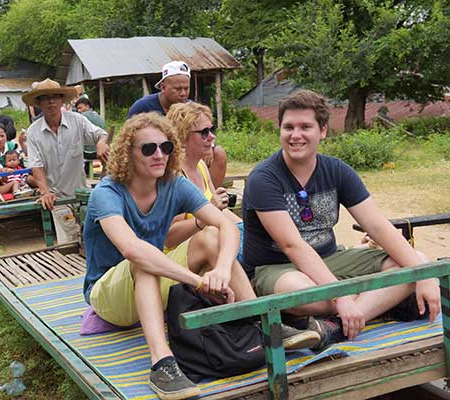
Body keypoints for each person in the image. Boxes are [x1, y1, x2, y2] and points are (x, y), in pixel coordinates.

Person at [83, 113, 319, 400]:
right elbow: (132, 249)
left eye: (166, 147)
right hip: (109, 295)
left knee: (209, 236)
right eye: (148, 149)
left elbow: (226, 225)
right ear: (127, 154)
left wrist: (220, 269)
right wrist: (196, 280)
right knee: (144, 260)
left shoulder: (173, 184)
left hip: (151, 286)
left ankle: (261, 321)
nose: (159, 154)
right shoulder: (107, 192)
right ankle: (162, 363)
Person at [242, 90, 441, 349]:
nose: (295, 135)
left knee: (419, 262)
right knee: (298, 291)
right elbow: (293, 246)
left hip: (330, 258)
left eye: (305, 127)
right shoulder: (264, 178)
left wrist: (424, 275)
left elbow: (378, 226)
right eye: (288, 127)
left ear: (322, 131)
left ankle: (332, 326)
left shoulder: (337, 170)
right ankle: (376, 302)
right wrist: (340, 295)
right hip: (277, 268)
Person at [128, 61, 228, 188]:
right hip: (158, 154)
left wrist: (209, 147)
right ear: (163, 87)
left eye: (186, 88)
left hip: (187, 154)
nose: (183, 93)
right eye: (178, 89)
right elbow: (128, 139)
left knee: (219, 153)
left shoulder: (191, 109)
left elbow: (205, 132)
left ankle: (210, 195)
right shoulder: (143, 107)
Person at [165, 102, 244, 260]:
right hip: (180, 254)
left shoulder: (200, 166)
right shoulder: (173, 177)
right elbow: (170, 238)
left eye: (211, 130)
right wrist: (204, 218)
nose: (212, 136)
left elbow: (218, 212)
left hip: (208, 242)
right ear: (182, 137)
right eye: (204, 132)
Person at [22, 78, 110, 206]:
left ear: (62, 100)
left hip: (80, 193)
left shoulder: (77, 120)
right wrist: (45, 193)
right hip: (55, 198)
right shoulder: (33, 132)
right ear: (39, 102)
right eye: (46, 98)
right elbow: (36, 166)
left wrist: (101, 143)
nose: (51, 101)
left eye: (55, 97)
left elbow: (100, 134)